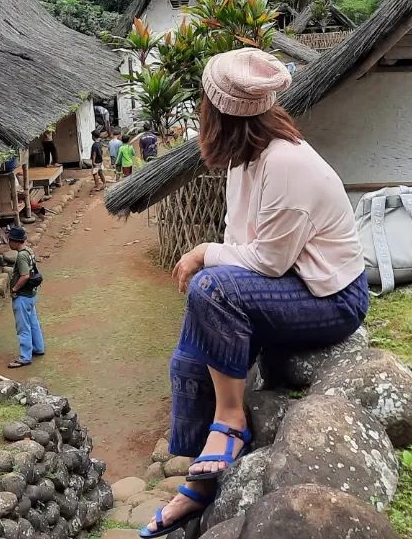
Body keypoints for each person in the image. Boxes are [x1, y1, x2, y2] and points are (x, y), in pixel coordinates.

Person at [140, 48, 368, 537]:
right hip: (288, 285)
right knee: (189, 352)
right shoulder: (246, 159)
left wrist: (203, 252)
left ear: (217, 110)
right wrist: (216, 254)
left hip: (331, 297)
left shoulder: (287, 163)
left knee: (212, 288)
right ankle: (198, 481)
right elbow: (239, 238)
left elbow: (268, 261)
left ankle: (231, 421)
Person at [6, 226, 45, 369]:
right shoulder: (28, 251)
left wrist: (15, 289)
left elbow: (25, 275)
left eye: (10, 240)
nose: (8, 242)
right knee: (33, 322)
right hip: (31, 294)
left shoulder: (21, 255)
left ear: (15, 241)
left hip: (22, 295)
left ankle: (25, 356)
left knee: (23, 327)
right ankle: (38, 348)